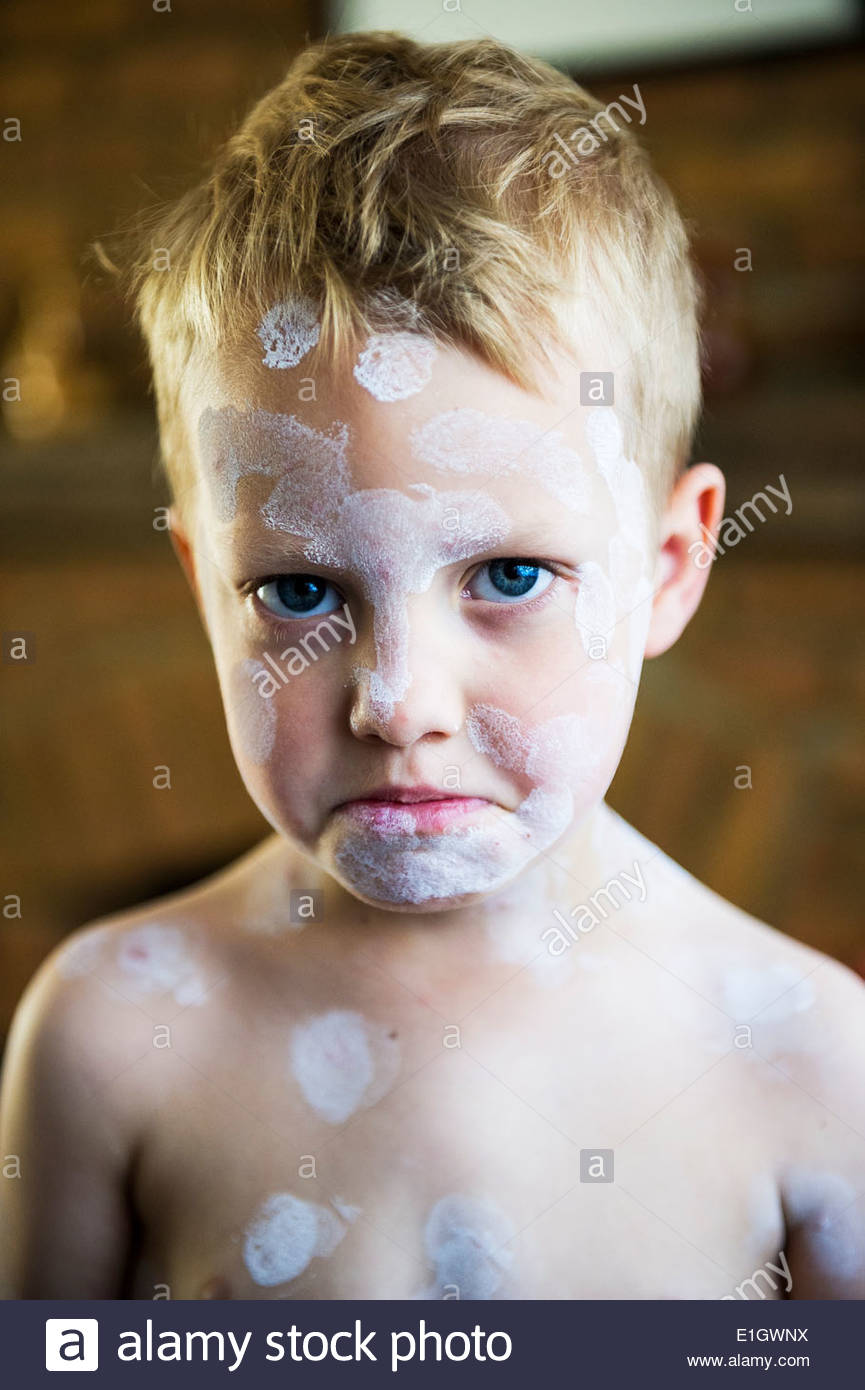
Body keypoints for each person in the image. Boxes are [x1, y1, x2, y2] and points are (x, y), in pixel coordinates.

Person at [2, 31, 863, 1301]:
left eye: (509, 577)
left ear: (671, 567)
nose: (398, 701)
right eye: (298, 591)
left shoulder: (808, 1057)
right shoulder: (110, 1032)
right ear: (204, 589)